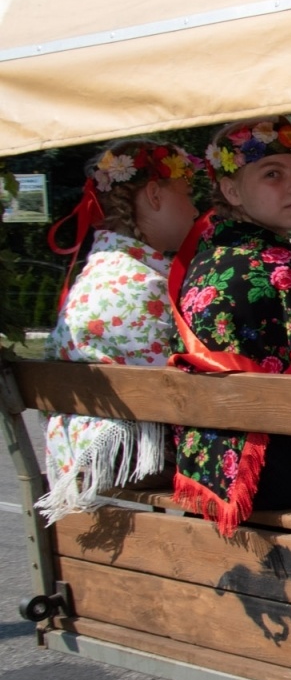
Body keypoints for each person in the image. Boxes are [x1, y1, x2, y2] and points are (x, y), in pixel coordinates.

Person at [170, 117, 291, 536]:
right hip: (271, 471)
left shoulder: (205, 255)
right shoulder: (281, 265)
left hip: (203, 465)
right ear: (231, 190)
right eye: (272, 174)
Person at [37, 140, 201, 521]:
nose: (195, 209)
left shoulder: (96, 272)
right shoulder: (143, 281)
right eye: (188, 194)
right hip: (127, 455)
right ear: (155, 195)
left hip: (77, 452)